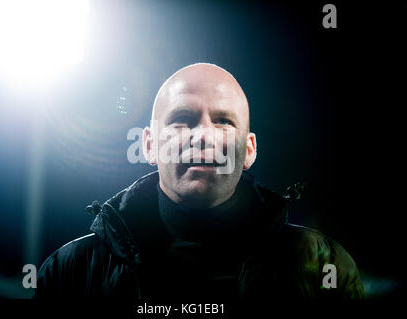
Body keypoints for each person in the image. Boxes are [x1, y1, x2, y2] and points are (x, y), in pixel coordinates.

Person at [35, 63, 365, 305]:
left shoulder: (322, 266)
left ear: (248, 150)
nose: (203, 135)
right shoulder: (72, 272)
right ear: (149, 145)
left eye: (223, 121)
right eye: (182, 120)